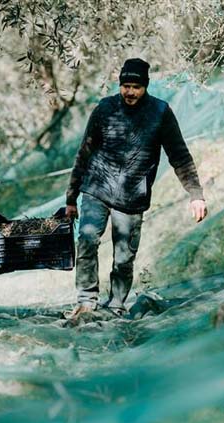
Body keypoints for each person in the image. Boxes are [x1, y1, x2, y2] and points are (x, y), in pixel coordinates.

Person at [65, 58, 208, 319]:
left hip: (132, 197)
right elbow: (84, 152)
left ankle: (116, 305)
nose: (130, 92)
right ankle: (86, 301)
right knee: (86, 240)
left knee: (124, 256)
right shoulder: (104, 108)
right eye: (125, 86)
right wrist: (71, 198)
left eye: (136, 87)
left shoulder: (160, 112)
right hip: (97, 187)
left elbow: (179, 155)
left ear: (146, 87)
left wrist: (195, 195)